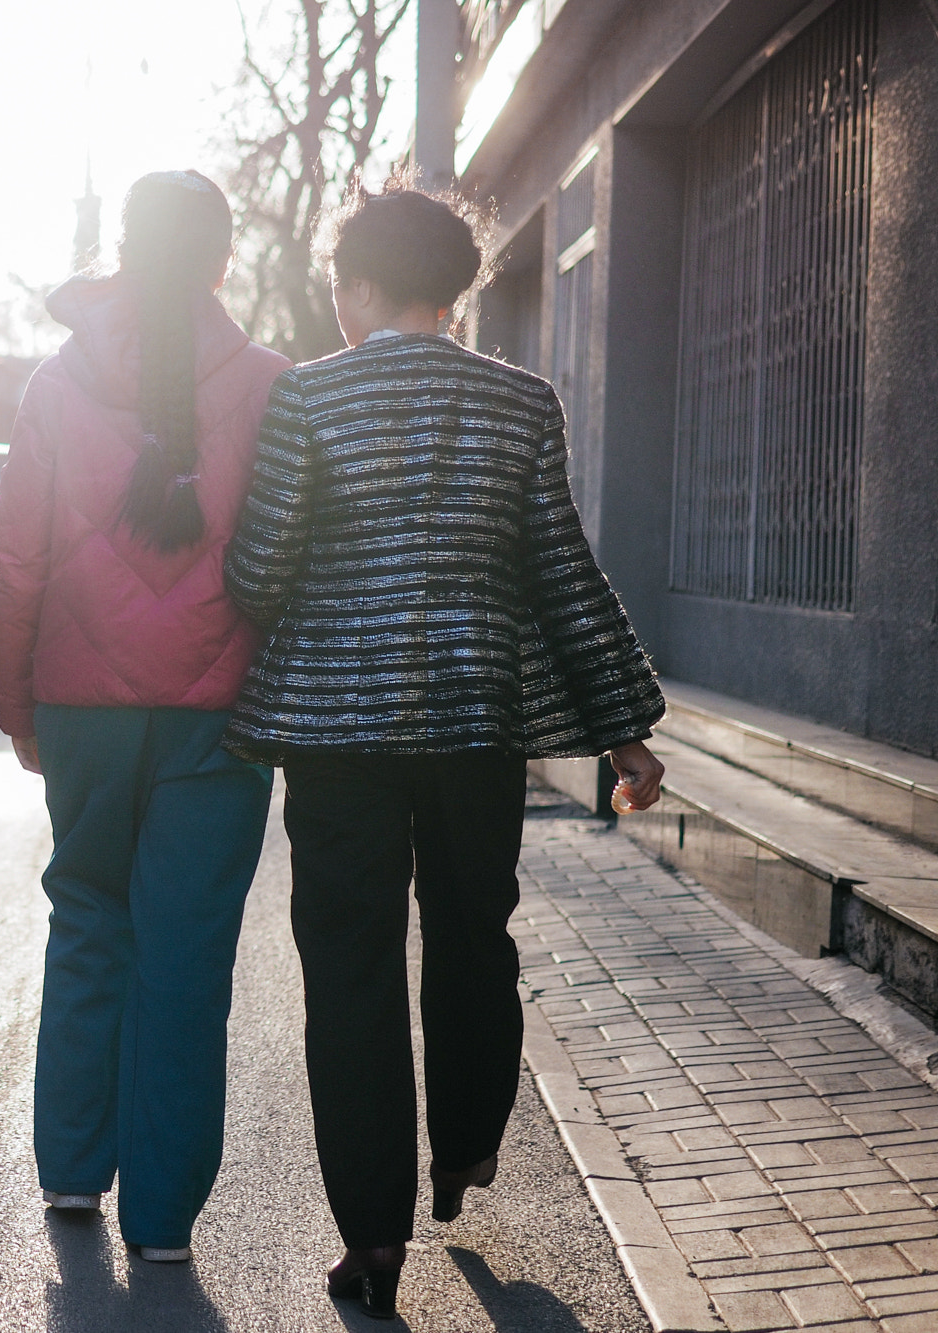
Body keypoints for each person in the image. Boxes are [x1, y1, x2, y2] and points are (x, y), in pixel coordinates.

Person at [221, 182, 667, 1320]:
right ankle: (465, 1146)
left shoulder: (308, 400)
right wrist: (623, 732)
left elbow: (259, 571)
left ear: (361, 285)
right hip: (474, 721)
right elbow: (560, 572)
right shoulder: (520, 404)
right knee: (472, 934)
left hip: (335, 734)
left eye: (337, 283)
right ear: (453, 287)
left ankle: (370, 1242)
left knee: (350, 970)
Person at [0, 170, 293, 1263]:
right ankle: (160, 1220)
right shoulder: (269, 385)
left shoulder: (56, 382)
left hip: (79, 707)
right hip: (221, 719)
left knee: (86, 923)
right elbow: (289, 566)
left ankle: (71, 1172)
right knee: (185, 962)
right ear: (222, 261)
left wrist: (18, 707)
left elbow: (16, 563)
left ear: (121, 253)